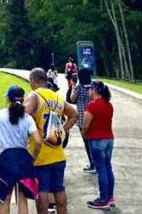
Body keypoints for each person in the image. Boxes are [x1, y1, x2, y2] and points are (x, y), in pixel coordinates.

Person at [25, 68, 78, 214]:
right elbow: (74, 114)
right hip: (58, 152)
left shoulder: (34, 96)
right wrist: (63, 130)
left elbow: (22, 117)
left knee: (42, 190)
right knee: (59, 188)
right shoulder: (56, 97)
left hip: (41, 154)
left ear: (34, 80)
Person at [0, 85, 42, 214]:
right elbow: (38, 142)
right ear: (23, 100)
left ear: (8, 99)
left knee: (4, 199)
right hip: (23, 160)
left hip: (5, 160)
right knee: (22, 199)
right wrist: (32, 157)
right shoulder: (27, 118)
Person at [83, 81, 115, 210]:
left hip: (96, 139)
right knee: (107, 167)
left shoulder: (92, 106)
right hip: (109, 138)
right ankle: (110, 196)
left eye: (89, 89)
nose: (88, 91)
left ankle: (103, 199)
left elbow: (86, 124)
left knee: (101, 169)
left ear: (94, 90)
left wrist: (85, 134)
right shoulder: (108, 105)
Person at [70, 68, 95, 174]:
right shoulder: (94, 86)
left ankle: (92, 164)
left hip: (81, 118)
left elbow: (72, 99)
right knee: (94, 141)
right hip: (93, 116)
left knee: (87, 142)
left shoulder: (79, 87)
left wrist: (72, 86)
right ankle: (97, 163)